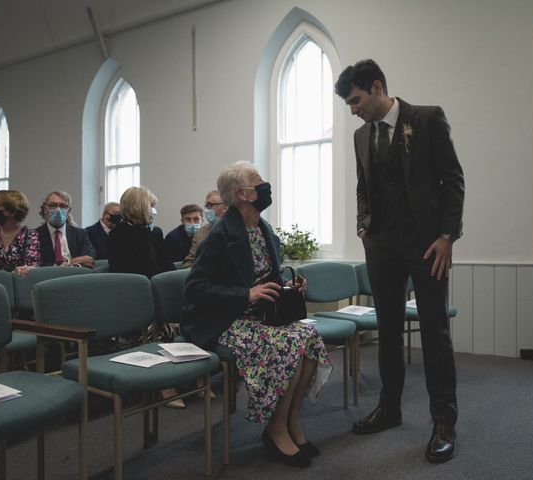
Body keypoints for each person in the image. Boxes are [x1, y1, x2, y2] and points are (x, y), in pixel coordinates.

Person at [334, 59, 465, 463]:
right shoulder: (361, 137)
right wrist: (363, 228)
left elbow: (453, 179)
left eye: (356, 100)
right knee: (387, 331)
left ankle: (443, 421)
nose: (353, 110)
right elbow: (363, 189)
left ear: (377, 87)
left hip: (427, 247)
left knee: (434, 333)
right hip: (382, 248)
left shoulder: (426, 119)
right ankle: (389, 408)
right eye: (349, 105)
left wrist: (447, 236)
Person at [182, 161, 331, 468]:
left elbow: (264, 278)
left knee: (308, 336)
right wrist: (245, 294)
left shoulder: (262, 228)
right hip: (226, 321)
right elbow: (195, 289)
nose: (265, 186)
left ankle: (290, 421)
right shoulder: (220, 235)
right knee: (289, 342)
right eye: (258, 182)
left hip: (257, 317)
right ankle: (275, 428)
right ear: (242, 194)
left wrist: (287, 286)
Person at [108, 186, 182, 407]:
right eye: (152, 206)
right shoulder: (118, 235)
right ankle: (164, 384)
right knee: (162, 324)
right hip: (134, 298)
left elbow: (166, 266)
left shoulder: (154, 232)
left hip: (157, 294)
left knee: (187, 317)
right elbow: (128, 273)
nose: (154, 210)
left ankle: (187, 376)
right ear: (140, 206)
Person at [36, 191, 96, 268]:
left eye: (63, 206)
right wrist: (71, 262)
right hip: (48, 277)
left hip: (75, 275)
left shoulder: (80, 233)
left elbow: (89, 258)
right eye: (53, 205)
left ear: (69, 210)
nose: (58, 210)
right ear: (45, 209)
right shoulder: (35, 235)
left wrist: (69, 262)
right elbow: (37, 264)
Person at [181, 190, 228, 269]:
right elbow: (188, 262)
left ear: (225, 207)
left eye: (211, 205)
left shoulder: (238, 228)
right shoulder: (200, 233)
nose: (207, 210)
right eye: (206, 206)